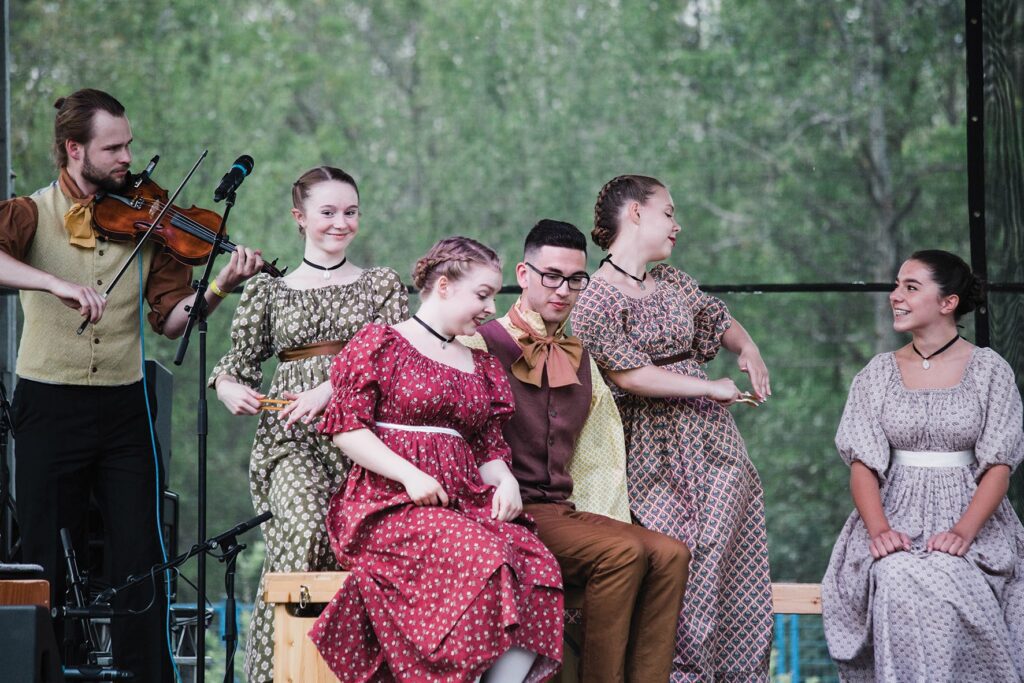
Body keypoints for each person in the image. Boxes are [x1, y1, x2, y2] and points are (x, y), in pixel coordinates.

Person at [0, 88, 263, 680]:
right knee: (41, 554)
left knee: (140, 555)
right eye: (113, 147)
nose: (128, 158)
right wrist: (53, 283)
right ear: (74, 150)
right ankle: (40, 671)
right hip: (47, 400)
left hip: (124, 406)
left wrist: (218, 285)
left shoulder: (151, 218)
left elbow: (171, 320)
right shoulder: (29, 212)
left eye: (129, 145)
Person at [311, 237, 563, 682]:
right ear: (444, 286)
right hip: (389, 502)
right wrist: (409, 476)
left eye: (493, 297)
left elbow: (486, 446)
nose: (489, 308)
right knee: (485, 557)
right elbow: (346, 429)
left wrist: (505, 481)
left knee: (537, 561)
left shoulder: (480, 364)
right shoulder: (382, 343)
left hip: (463, 501)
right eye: (482, 295)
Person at [461, 219, 691, 683]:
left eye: (574, 279)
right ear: (523, 276)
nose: (563, 290)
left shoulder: (581, 358)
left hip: (563, 511)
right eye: (551, 276)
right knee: (623, 553)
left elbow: (600, 457)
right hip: (507, 512)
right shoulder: (478, 344)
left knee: (671, 554)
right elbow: (410, 352)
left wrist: (608, 519)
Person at [210, 165, 409, 681]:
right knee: (301, 530)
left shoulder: (380, 285)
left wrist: (332, 388)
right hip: (292, 438)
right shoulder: (267, 292)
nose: (340, 223)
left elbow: (391, 358)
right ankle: (286, 672)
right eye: (328, 212)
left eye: (350, 212)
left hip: (366, 436)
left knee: (359, 552)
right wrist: (229, 387)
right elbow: (237, 364)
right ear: (300, 218)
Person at [571, 175, 774, 681]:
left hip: (714, 443)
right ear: (635, 213)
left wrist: (746, 346)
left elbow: (717, 318)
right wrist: (709, 387)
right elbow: (627, 374)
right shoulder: (595, 298)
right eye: (668, 212)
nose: (676, 224)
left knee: (734, 561)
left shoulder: (676, 282)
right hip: (651, 450)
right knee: (681, 559)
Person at [822, 250, 1024, 682]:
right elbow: (862, 464)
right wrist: (879, 532)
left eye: (910, 287)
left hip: (972, 521)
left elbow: (999, 466)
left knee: (953, 577)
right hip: (893, 517)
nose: (896, 295)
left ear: (947, 302)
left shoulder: (991, 371)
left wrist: (962, 532)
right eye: (897, 285)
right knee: (895, 576)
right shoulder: (877, 374)